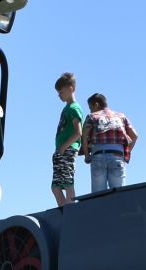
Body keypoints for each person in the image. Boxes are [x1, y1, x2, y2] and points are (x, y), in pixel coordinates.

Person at [79, 93, 138, 194]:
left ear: (96, 104)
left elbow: (84, 136)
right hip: (117, 157)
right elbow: (135, 136)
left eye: (90, 107)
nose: (90, 110)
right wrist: (124, 153)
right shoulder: (121, 116)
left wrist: (87, 155)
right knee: (118, 195)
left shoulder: (92, 116)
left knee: (98, 196)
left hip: (98, 156)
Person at [51, 73, 85, 207]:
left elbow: (78, 132)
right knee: (55, 186)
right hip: (61, 150)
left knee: (67, 181)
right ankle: (63, 211)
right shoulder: (66, 108)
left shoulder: (74, 108)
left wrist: (64, 147)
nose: (59, 95)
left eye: (61, 92)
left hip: (68, 149)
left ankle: (71, 210)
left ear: (70, 88)